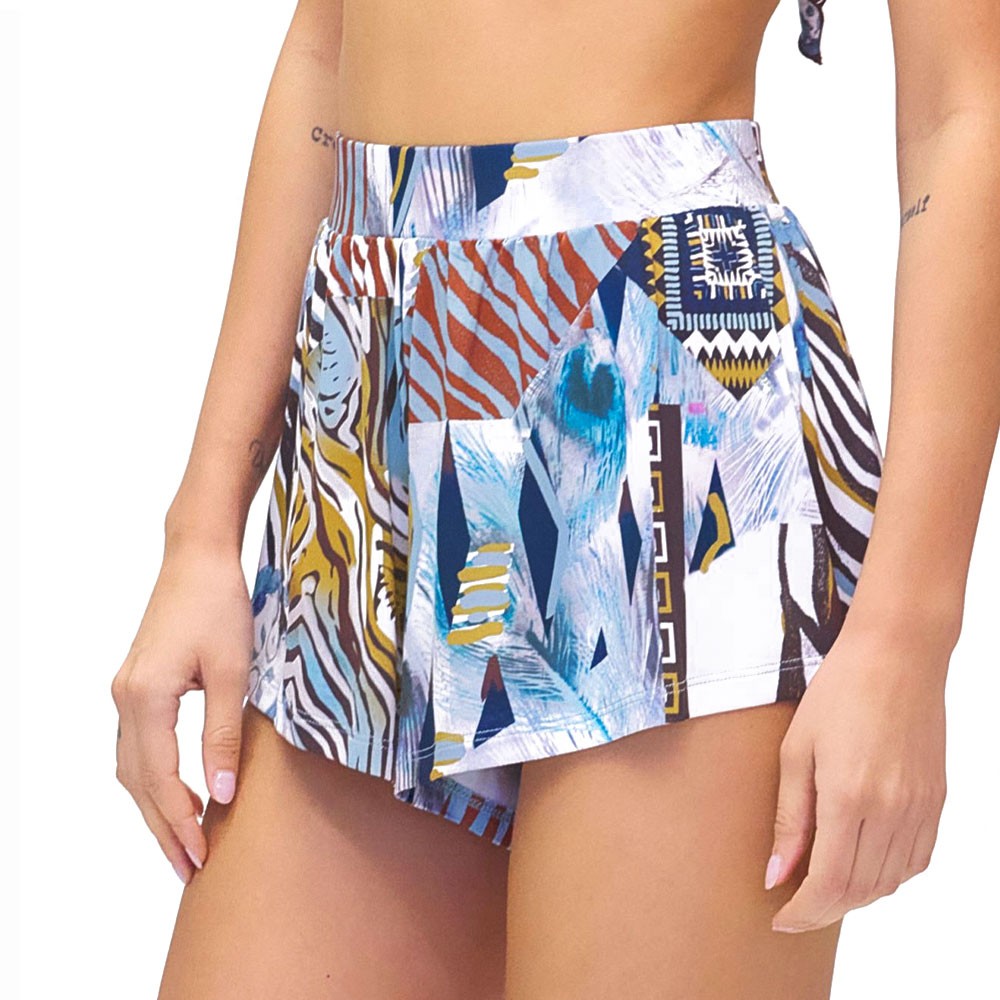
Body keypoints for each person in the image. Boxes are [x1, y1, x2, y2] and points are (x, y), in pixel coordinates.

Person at [111, 2, 1000, 997]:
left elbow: (962, 112)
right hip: (366, 408)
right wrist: (201, 532)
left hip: (660, 388)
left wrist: (905, 639)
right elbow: (327, 43)